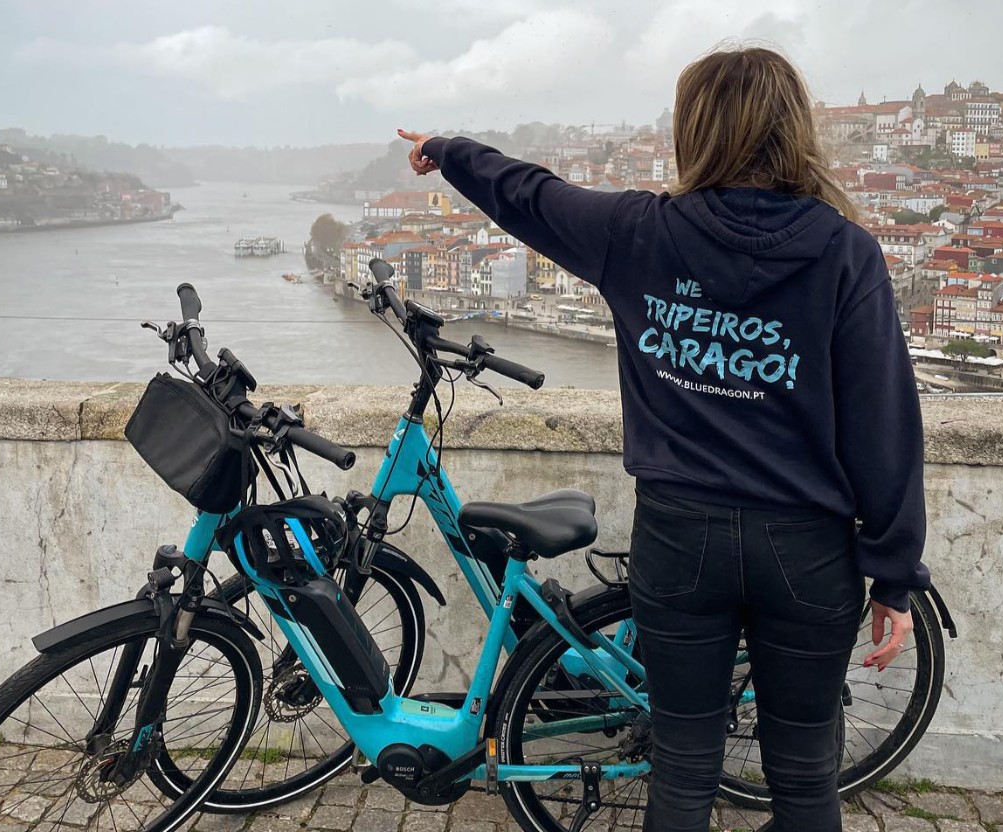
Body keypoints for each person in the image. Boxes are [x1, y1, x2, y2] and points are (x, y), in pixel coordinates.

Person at [397, 44, 930, 832]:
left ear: (695, 131)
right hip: (808, 549)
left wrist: (448, 152)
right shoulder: (844, 252)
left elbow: (532, 196)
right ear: (794, 130)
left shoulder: (637, 232)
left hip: (682, 539)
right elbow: (884, 422)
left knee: (682, 771)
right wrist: (893, 573)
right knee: (805, 774)